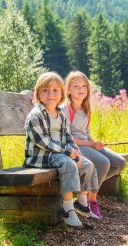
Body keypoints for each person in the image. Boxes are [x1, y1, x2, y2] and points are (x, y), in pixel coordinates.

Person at [24, 71, 99, 229]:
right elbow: (41, 141)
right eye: (45, 90)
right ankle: (67, 208)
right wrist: (67, 152)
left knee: (87, 164)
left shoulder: (61, 115)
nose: (50, 94)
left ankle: (82, 203)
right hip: (41, 156)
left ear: (62, 94)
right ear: (38, 93)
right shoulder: (36, 115)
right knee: (68, 164)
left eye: (55, 90)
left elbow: (68, 137)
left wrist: (76, 152)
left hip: (59, 153)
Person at [62, 71, 127, 221]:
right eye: (76, 86)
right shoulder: (66, 109)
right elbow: (66, 137)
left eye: (84, 86)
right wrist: (90, 144)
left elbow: (86, 132)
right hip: (75, 146)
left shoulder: (86, 108)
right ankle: (91, 200)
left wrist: (95, 143)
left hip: (87, 143)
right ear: (68, 89)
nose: (81, 89)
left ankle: (84, 187)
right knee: (104, 163)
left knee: (119, 163)